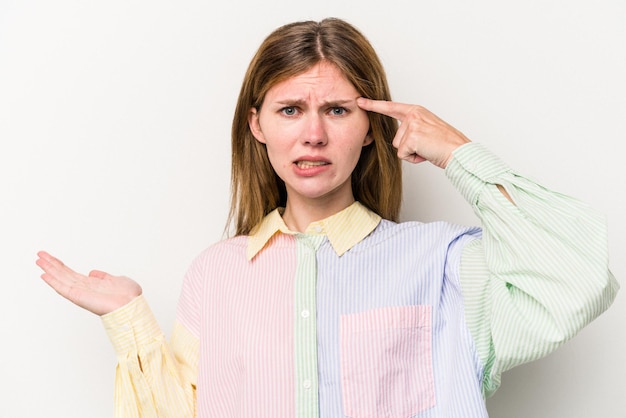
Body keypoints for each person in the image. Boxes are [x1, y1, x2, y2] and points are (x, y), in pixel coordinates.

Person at [36, 17, 618, 418]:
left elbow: (578, 276)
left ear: (370, 129)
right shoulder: (216, 275)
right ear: (258, 126)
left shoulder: (440, 263)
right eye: (291, 109)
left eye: (337, 109)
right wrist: (129, 318)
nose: (313, 134)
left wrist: (457, 153)